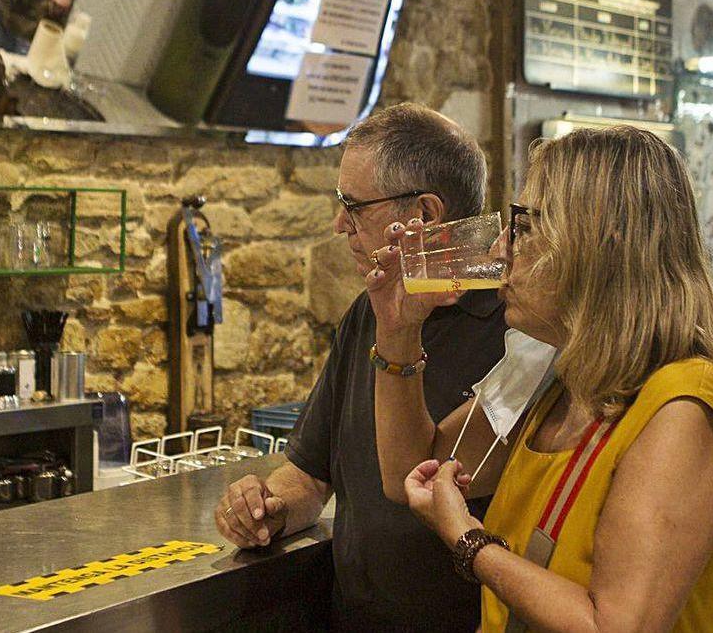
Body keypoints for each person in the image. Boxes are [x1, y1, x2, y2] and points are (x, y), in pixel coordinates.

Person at [367, 126, 713, 631]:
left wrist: (468, 540)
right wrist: (398, 330)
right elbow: (412, 475)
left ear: (603, 244)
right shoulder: (554, 370)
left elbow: (617, 625)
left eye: (524, 227)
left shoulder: (682, 407)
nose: (499, 251)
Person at [215, 103, 510, 631]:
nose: (338, 225)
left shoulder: (518, 331)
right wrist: (268, 506)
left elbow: (412, 476)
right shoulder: (366, 314)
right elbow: (310, 475)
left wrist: (398, 335)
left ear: (423, 215)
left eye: (354, 206)